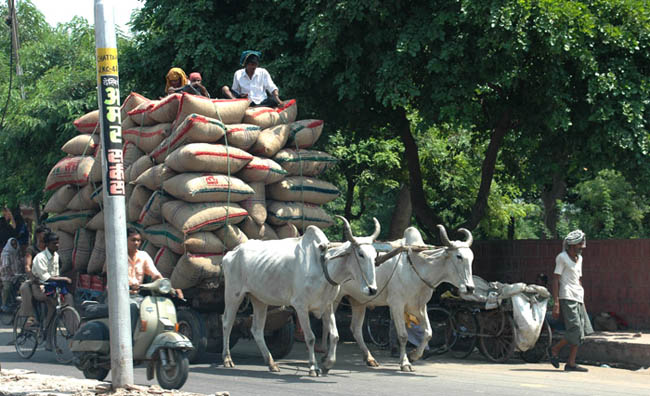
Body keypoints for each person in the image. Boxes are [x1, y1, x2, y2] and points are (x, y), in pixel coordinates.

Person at [548, 229, 594, 372]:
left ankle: (571, 363)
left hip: (578, 297)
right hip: (567, 296)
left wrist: (583, 300)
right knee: (575, 328)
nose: (582, 247)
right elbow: (556, 279)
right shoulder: (561, 258)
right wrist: (556, 303)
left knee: (581, 332)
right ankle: (554, 350)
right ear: (572, 245)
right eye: (580, 244)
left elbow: (578, 280)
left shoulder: (579, 259)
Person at [18, 232, 73, 329]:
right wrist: (63, 279)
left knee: (68, 298)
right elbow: (45, 277)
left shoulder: (56, 255)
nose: (57, 245)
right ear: (46, 244)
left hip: (51, 285)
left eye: (58, 243)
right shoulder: (39, 256)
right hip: (38, 286)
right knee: (52, 302)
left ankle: (70, 327)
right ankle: (42, 326)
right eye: (54, 243)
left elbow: (56, 273)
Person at [1, 238, 22, 311]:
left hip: (17, 275)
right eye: (12, 244)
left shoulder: (17, 252)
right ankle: (4, 304)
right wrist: (12, 274)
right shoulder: (5, 253)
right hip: (7, 276)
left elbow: (20, 262)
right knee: (7, 288)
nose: (14, 246)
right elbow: (5, 266)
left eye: (15, 244)